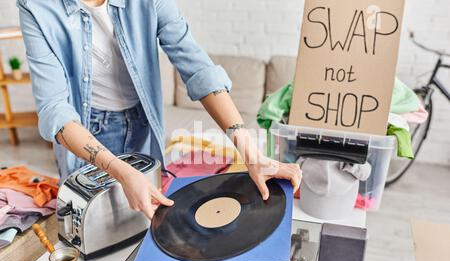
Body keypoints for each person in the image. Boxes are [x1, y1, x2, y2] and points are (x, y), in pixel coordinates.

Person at [18, 0, 302, 219]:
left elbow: (198, 69)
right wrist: (124, 172)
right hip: (85, 133)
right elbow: (55, 109)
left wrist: (250, 153)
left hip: (143, 125)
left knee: (145, 222)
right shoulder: (36, 7)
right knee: (93, 228)